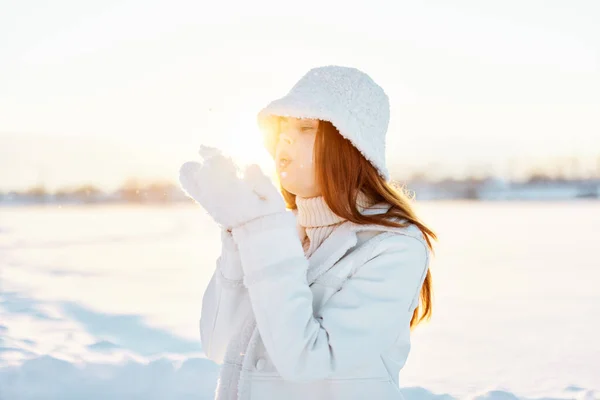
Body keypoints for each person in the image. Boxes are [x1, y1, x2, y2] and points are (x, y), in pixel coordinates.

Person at [179, 65, 436, 400]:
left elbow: (310, 361)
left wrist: (261, 234)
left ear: (351, 144)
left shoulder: (394, 248)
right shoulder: (282, 234)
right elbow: (220, 344)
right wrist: (238, 232)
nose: (285, 137)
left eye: (304, 126)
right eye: (282, 127)